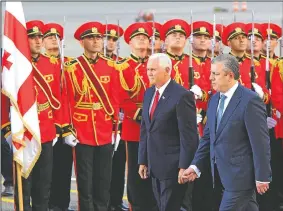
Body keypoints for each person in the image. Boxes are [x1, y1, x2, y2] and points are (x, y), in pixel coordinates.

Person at [182, 54, 272, 211]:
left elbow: (260, 143)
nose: (210, 78)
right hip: (221, 174)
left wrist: (263, 176)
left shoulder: (249, 101)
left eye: (215, 74)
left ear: (230, 75)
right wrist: (196, 166)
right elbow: (208, 138)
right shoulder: (215, 100)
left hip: (241, 176)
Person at [64, 21, 120, 211]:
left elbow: (114, 99)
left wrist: (115, 128)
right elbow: (68, 101)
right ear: (81, 42)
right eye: (91, 38)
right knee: (85, 181)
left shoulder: (111, 66)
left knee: (104, 179)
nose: (96, 41)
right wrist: (68, 129)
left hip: (104, 130)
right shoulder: (72, 68)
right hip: (82, 130)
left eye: (98, 37)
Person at [138, 53, 198, 211]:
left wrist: (185, 165)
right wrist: (143, 160)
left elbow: (189, 136)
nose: (149, 73)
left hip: (173, 167)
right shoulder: (149, 93)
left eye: (153, 69)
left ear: (166, 70)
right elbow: (146, 129)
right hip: (154, 165)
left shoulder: (182, 95)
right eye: (148, 69)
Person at [114, 22, 157, 211]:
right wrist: (138, 113)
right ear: (129, 43)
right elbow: (120, 97)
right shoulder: (122, 67)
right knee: (135, 170)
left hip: (158, 123)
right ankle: (137, 205)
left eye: (145, 38)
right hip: (135, 125)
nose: (142, 40)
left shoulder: (155, 64)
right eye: (137, 38)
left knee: (156, 168)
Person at [41, 23, 74, 211]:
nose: (54, 39)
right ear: (43, 42)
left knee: (64, 168)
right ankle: (46, 204)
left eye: (57, 37)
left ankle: (62, 205)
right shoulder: (39, 64)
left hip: (68, 125)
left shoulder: (70, 63)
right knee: (46, 171)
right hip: (47, 124)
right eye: (49, 37)